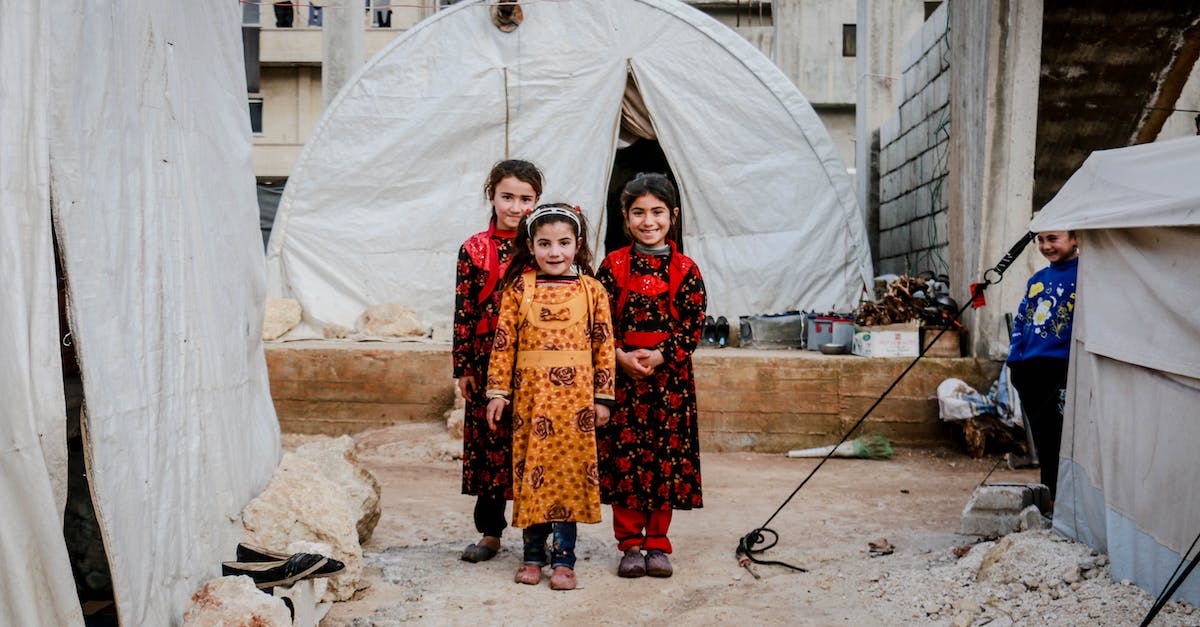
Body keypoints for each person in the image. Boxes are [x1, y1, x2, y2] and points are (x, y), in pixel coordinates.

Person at [484, 203, 616, 591]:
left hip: (576, 406)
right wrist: (498, 392)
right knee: (532, 475)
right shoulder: (518, 290)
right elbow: (503, 345)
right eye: (544, 243)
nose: (554, 252)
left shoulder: (593, 291)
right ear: (531, 245)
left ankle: (564, 559)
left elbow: (604, 345)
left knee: (568, 478)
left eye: (563, 242)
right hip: (530, 402)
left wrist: (603, 398)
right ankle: (532, 556)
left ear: (578, 245)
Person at [594, 173, 706, 579]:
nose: (648, 220)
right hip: (623, 381)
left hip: (669, 383)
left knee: (664, 461)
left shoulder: (685, 268)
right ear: (626, 218)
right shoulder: (613, 266)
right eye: (638, 212)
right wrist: (619, 357)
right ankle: (629, 544)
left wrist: (660, 356)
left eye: (657, 211)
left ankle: (657, 543)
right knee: (626, 462)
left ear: (672, 216)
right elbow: (599, 322)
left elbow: (694, 326)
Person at [453, 160, 543, 564]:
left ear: (537, 201)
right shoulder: (474, 249)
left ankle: (537, 534)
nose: (516, 207)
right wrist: (464, 368)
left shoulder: (544, 246)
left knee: (534, 445)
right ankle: (490, 532)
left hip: (534, 362)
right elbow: (464, 311)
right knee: (489, 446)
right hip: (487, 362)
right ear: (491, 196)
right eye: (508, 197)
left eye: (526, 199)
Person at [1007, 230, 1079, 506]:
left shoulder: (1086, 277)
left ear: (1075, 239)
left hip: (1061, 368)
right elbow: (1022, 322)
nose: (1046, 246)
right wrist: (1016, 364)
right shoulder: (1037, 281)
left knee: (1059, 438)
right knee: (1044, 438)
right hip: (1030, 370)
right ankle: (1051, 498)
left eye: (1053, 239)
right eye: (1041, 240)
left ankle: (1061, 501)